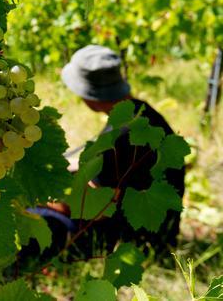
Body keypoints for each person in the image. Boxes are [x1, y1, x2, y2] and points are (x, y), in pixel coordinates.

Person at [28, 45, 185, 260]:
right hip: (159, 233)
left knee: (32, 220)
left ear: (88, 96)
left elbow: (94, 209)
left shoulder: (121, 137)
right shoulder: (139, 111)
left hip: (133, 245)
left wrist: (35, 197)